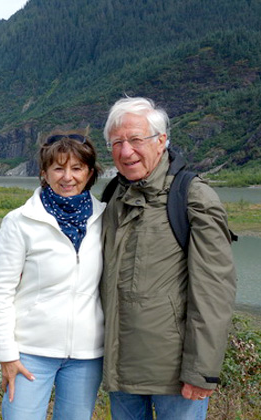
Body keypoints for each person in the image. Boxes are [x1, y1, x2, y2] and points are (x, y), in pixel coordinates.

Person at [100, 96, 237, 419]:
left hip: (175, 375)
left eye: (136, 139)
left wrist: (201, 370)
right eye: (117, 142)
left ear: (161, 141)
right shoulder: (113, 196)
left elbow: (214, 292)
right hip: (121, 369)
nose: (126, 151)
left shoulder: (193, 196)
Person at [0, 131, 105, 419]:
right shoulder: (20, 221)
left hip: (86, 356)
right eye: (58, 168)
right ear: (44, 172)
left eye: (77, 168)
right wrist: (7, 354)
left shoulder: (106, 217)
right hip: (30, 353)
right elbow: (1, 292)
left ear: (89, 173)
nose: (68, 177)